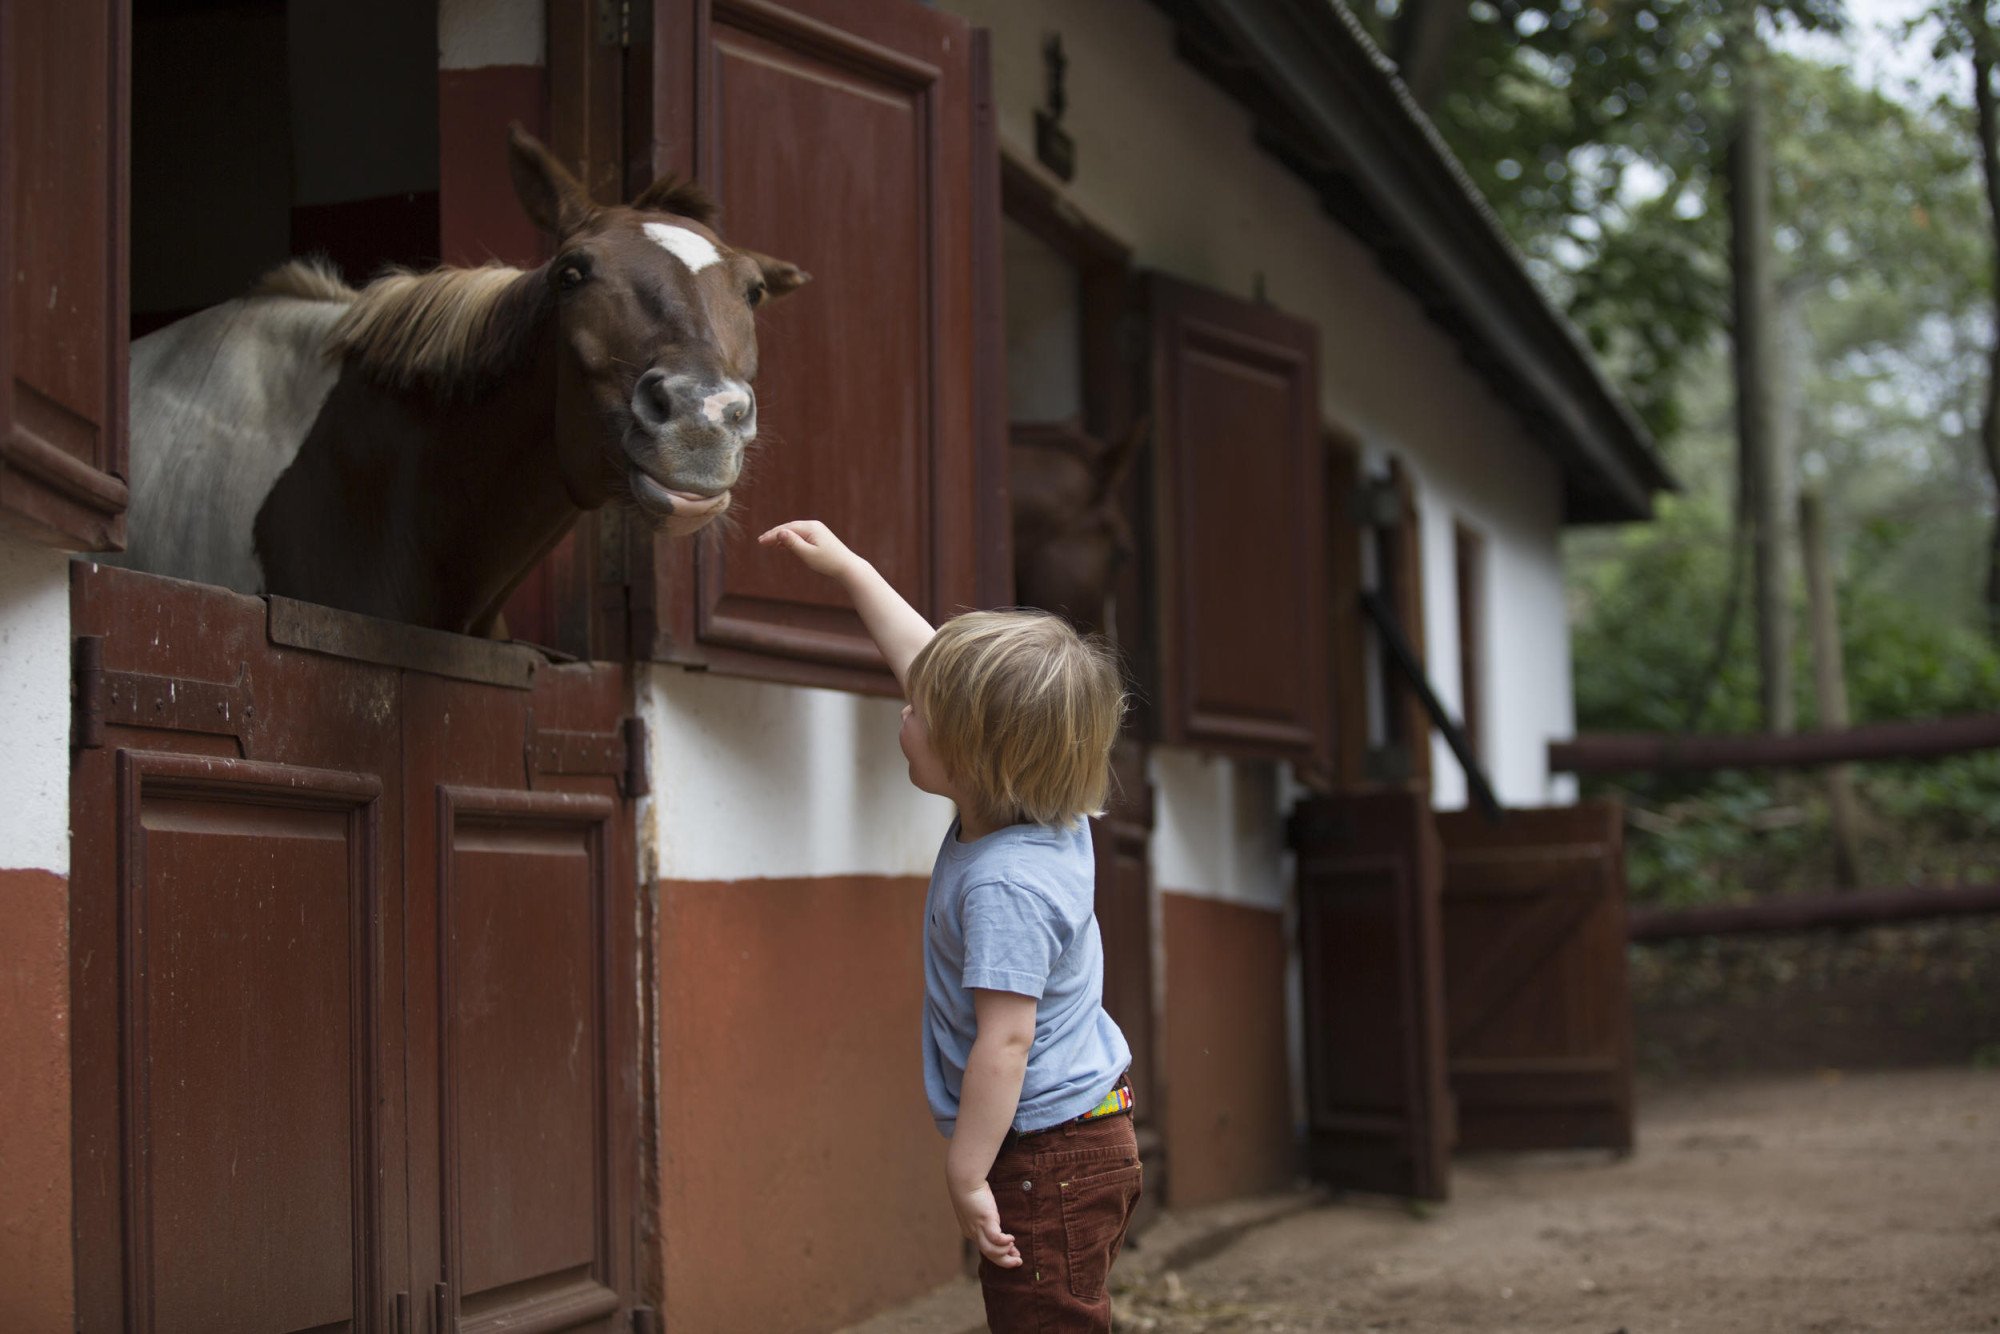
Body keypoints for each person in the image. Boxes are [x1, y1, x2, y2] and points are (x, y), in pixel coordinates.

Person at [759, 518, 1142, 1334]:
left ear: (972, 754)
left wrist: (967, 1173)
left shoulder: (1006, 885)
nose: (906, 705)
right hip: (1076, 1135)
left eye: (921, 711)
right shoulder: (1044, 803)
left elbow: (1006, 1041)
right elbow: (927, 661)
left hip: (1046, 1152)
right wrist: (852, 569)